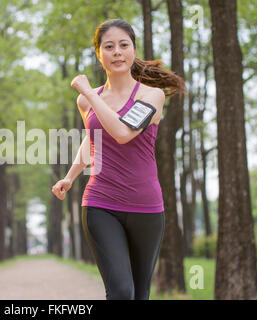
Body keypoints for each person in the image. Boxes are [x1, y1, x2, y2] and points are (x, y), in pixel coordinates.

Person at [51, 18, 185, 300]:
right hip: (101, 203)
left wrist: (88, 90)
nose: (117, 52)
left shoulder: (152, 95)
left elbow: (123, 133)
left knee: (140, 294)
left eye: (124, 45)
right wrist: (70, 176)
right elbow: (93, 139)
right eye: (109, 47)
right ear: (99, 54)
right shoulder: (87, 102)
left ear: (133, 50)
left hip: (147, 207)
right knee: (121, 292)